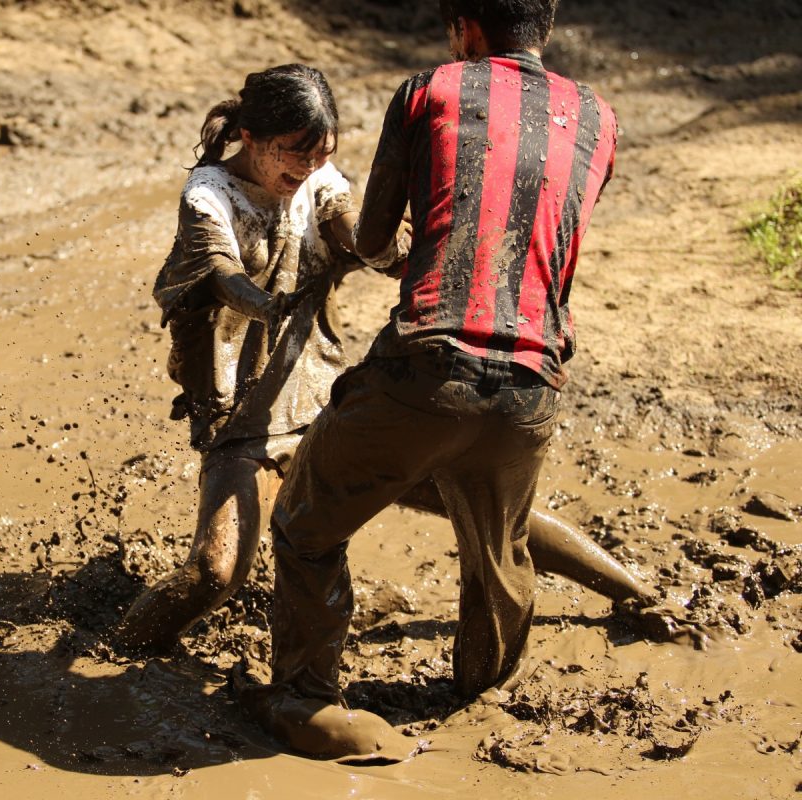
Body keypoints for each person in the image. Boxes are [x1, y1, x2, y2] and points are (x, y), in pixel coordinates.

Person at [113, 62, 660, 657]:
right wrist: (266, 306)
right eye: (294, 153)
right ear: (251, 137)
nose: (306, 167)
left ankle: (639, 595)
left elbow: (350, 228)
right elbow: (219, 272)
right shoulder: (209, 195)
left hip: (322, 400)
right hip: (242, 414)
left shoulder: (317, 181)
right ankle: (114, 652)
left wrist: (399, 254)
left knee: (484, 513)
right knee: (214, 573)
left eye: (321, 154)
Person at [242, 0, 657, 758]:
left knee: (305, 524)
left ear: (464, 25)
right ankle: (479, 693)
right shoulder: (599, 116)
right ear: (545, 27)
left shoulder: (428, 90)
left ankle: (304, 698)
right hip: (533, 381)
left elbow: (374, 236)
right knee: (497, 551)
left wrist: (390, 252)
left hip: (425, 368)